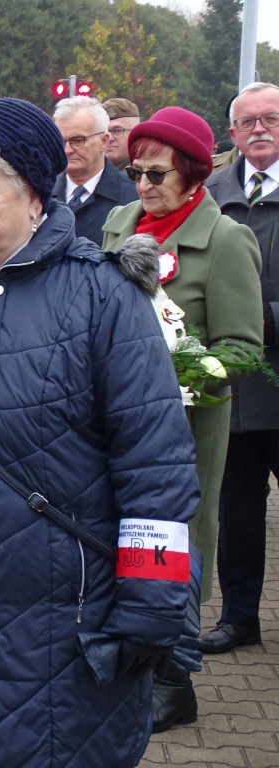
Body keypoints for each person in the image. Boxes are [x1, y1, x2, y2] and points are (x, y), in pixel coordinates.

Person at [0, 98, 201, 768]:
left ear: (31, 195)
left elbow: (156, 468)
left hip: (66, 616)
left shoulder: (104, 298)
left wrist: (149, 606)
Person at [103, 106, 264, 732]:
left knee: (173, 540)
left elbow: (244, 348)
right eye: (137, 171)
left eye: (157, 174)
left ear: (194, 176)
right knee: (120, 535)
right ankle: (132, 662)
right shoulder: (119, 224)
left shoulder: (225, 239)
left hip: (184, 429)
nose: (143, 185)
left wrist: (180, 382)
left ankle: (174, 681)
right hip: (114, 421)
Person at [201, 82, 279, 656]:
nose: (260, 129)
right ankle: (239, 617)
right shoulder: (210, 193)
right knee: (239, 510)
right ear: (231, 133)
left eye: (271, 119)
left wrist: (261, 320)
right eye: (248, 122)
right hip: (238, 384)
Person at [52, 96, 137, 244]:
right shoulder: (39, 194)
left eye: (78, 141)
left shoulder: (134, 198)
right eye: (60, 141)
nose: (67, 150)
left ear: (104, 141)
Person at [104, 98, 141, 171]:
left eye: (117, 131)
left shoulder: (141, 175)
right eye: (104, 131)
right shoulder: (89, 173)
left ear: (135, 134)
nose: (109, 138)